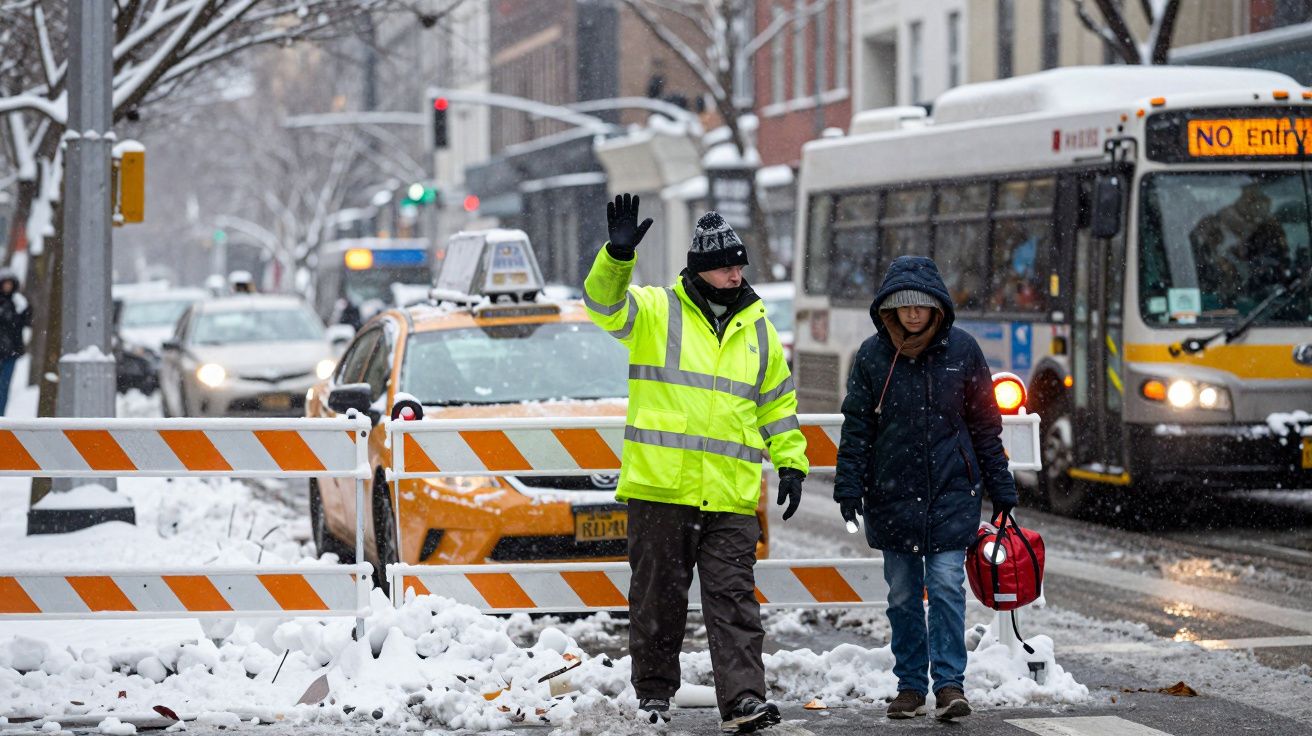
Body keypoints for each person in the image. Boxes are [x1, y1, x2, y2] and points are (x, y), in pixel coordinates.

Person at [585, 194, 808, 733]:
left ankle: (744, 701)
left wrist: (792, 461)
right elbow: (603, 307)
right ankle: (655, 697)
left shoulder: (758, 328)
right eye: (727, 265)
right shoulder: (657, 311)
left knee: (734, 601)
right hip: (663, 490)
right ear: (702, 269)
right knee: (658, 601)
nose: (736, 273)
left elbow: (776, 404)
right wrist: (616, 258)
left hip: (730, 494)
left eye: (740, 265)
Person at [832, 255, 1017, 722]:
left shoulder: (964, 351)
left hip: (952, 493)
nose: (913, 314)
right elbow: (857, 427)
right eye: (903, 306)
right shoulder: (873, 357)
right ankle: (910, 686)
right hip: (891, 494)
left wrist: (1002, 487)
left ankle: (950, 685)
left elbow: (984, 426)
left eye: (922, 306)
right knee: (902, 595)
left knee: (947, 586)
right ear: (889, 309)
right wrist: (849, 486)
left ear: (937, 307)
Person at [0, 268, 32, 416]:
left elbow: (26, 323)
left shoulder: (19, 303)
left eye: (9, 283)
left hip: (10, 353)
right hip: (5, 350)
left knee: (4, 387)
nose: (7, 286)